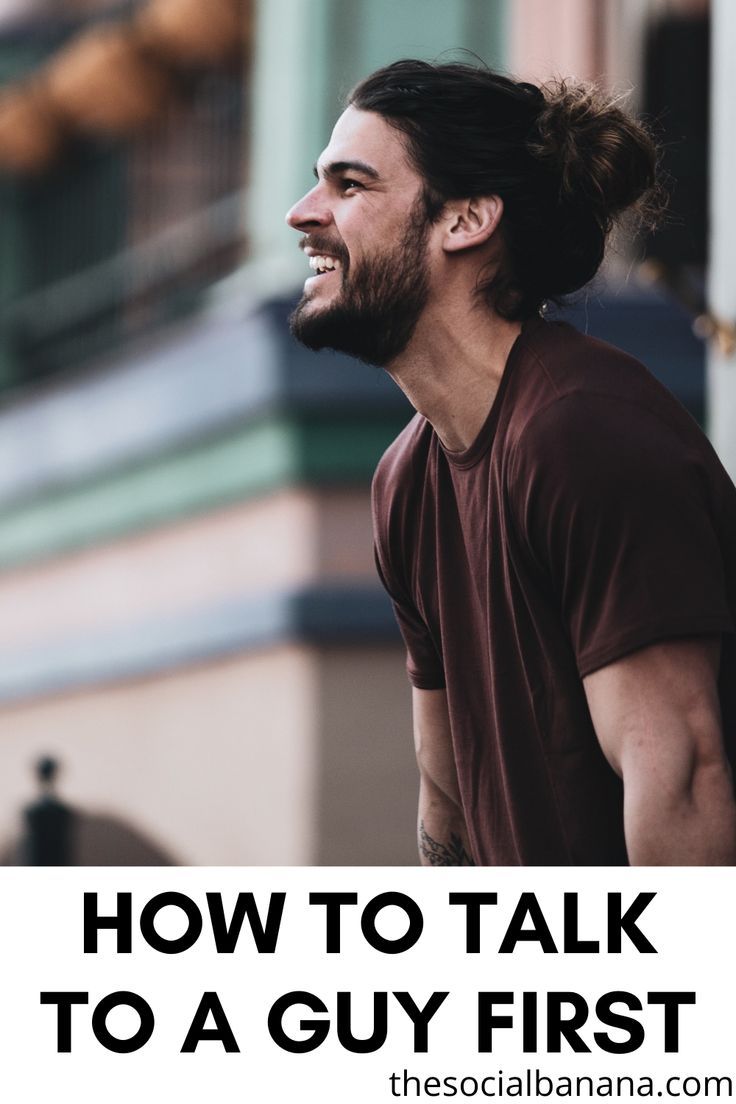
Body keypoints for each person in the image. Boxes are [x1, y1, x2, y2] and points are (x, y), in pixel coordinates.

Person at [285, 59, 736, 866]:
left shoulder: (583, 433)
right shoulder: (407, 480)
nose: (303, 214)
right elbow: (446, 797)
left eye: (350, 185)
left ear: (465, 220)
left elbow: (682, 782)